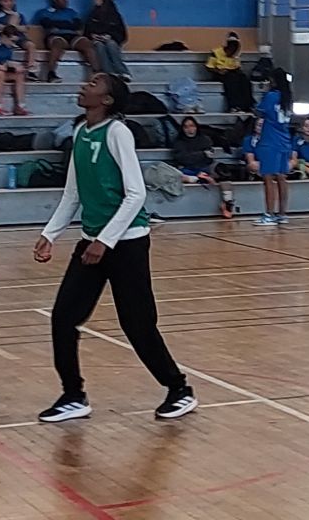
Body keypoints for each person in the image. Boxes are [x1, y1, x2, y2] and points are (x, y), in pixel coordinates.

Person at [33, 74, 198, 423]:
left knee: (137, 324)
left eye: (93, 83)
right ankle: (73, 396)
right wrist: (50, 233)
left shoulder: (118, 132)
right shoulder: (81, 132)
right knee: (63, 317)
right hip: (93, 242)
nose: (84, 85)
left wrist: (105, 241)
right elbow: (73, 194)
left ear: (107, 100)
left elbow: (136, 194)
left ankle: (179, 389)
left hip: (127, 243)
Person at [254, 68, 295, 226]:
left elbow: (259, 112)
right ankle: (282, 214)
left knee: (268, 178)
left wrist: (264, 93)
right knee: (282, 178)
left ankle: (269, 213)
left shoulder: (271, 96)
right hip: (285, 141)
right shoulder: (288, 98)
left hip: (270, 141)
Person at [170, 116, 229, 218]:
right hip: (187, 169)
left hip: (204, 167)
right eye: (186, 127)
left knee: (223, 173)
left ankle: (227, 202)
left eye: (192, 126)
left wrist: (195, 156)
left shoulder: (205, 139)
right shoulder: (178, 142)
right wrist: (202, 154)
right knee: (177, 174)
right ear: (182, 129)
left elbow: (208, 158)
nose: (189, 129)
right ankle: (199, 177)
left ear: (196, 127)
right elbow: (183, 159)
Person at [32, 0, 87, 83]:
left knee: (87, 44)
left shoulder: (71, 12)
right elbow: (47, 23)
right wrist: (68, 24)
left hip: (72, 37)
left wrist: (58, 24)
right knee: (57, 43)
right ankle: (51, 73)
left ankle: (97, 72)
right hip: (56, 36)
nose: (66, 0)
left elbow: (78, 25)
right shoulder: (44, 12)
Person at [0, 0, 38, 80]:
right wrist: (12, 26)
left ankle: (31, 70)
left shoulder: (19, 15)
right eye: (5, 1)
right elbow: (0, 27)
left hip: (19, 38)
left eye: (11, 1)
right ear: (0, 2)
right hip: (5, 39)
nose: (9, 3)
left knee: (31, 45)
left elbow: (24, 28)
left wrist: (13, 26)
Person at [83, 0, 130, 79]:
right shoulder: (93, 14)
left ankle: (123, 71)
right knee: (99, 46)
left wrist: (110, 36)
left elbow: (122, 34)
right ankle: (109, 73)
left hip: (111, 40)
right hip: (96, 41)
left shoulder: (115, 15)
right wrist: (93, 36)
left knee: (111, 44)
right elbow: (87, 31)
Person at [207, 32, 254, 114]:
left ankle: (248, 105)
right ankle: (233, 106)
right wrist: (218, 71)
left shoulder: (235, 55)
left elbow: (237, 67)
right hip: (219, 73)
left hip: (233, 72)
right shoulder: (216, 53)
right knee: (231, 80)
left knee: (244, 79)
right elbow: (209, 67)